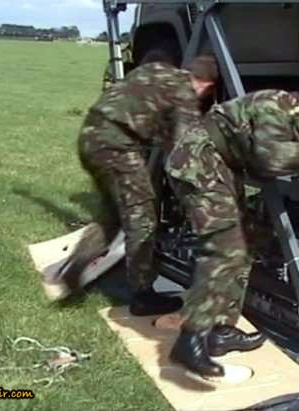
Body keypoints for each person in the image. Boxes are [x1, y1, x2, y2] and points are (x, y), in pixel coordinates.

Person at [164, 75, 299, 378]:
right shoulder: (274, 107)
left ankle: (220, 330)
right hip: (199, 160)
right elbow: (270, 159)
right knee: (223, 247)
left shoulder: (295, 119)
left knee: (244, 243)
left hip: (221, 167)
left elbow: (297, 151)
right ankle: (190, 339)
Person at [48, 53, 220, 317]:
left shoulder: (156, 69)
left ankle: (73, 270)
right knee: (143, 220)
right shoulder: (185, 94)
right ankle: (142, 295)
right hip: (117, 146)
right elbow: (184, 150)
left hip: (90, 138)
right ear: (207, 85)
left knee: (112, 218)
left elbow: (158, 128)